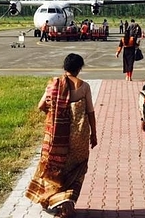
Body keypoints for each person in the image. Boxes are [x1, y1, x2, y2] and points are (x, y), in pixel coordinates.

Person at [26, 53, 98, 218]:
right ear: (79, 69)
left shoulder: (54, 84)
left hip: (57, 136)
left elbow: (41, 105)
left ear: (64, 68)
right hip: (79, 136)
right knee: (77, 169)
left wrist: (54, 114)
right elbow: (90, 113)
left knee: (57, 168)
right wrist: (94, 134)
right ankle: (67, 203)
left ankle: (55, 201)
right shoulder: (84, 86)